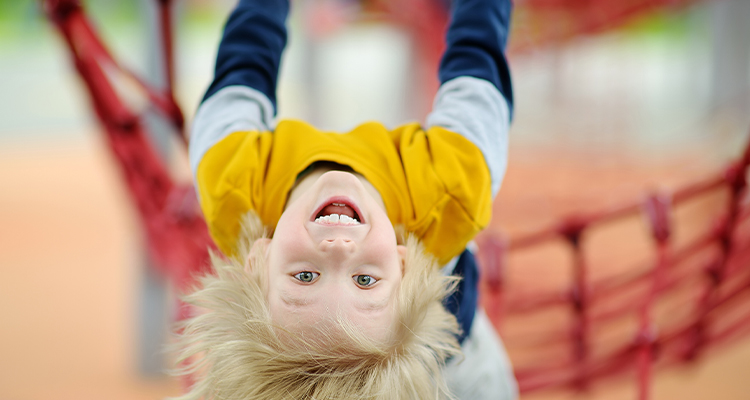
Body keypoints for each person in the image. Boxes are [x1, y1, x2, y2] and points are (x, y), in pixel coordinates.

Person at [173, 0, 517, 398]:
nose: (338, 249)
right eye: (365, 280)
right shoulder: (454, 187)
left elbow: (244, 60)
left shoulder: (229, 176)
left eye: (305, 276)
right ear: (404, 266)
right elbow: (479, 57)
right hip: (459, 369)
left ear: (258, 261)